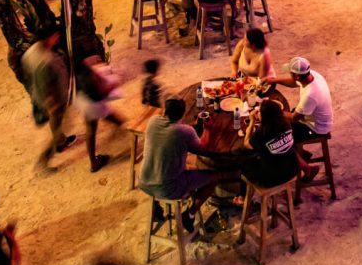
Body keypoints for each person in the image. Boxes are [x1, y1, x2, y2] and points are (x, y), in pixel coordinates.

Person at [139, 97, 232, 232]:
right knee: (215, 176)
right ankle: (189, 214)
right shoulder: (184, 131)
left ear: (165, 110)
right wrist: (208, 129)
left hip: (144, 182)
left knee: (183, 164)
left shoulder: (153, 121)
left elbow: (170, 134)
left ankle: (156, 208)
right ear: (182, 114)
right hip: (168, 189)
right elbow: (203, 148)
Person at [268, 57, 333, 178]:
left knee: (281, 138)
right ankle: (302, 154)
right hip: (311, 119)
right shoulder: (312, 75)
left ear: (297, 76)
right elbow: (294, 82)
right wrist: (274, 80)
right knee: (281, 126)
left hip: (316, 128)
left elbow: (294, 117)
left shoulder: (311, 95)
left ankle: (308, 169)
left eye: (291, 73)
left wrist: (273, 110)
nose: (290, 75)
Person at [21, 27, 76, 170]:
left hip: (43, 96)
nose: (57, 38)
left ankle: (61, 141)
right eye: (55, 35)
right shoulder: (45, 61)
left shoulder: (31, 52)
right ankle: (45, 160)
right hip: (54, 100)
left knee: (57, 125)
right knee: (58, 126)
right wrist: (53, 104)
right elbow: (48, 86)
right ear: (48, 38)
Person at [74, 56, 125, 173]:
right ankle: (94, 163)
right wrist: (112, 85)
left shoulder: (73, 66)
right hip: (92, 104)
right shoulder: (85, 76)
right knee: (91, 130)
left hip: (83, 99)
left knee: (109, 118)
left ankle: (120, 125)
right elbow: (97, 95)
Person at [242, 99, 299, 190]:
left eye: (259, 111)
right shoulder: (286, 124)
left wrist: (252, 122)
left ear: (265, 116)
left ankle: (241, 196)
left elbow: (246, 144)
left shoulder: (262, 133)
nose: (258, 113)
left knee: (243, 162)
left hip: (273, 179)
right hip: (293, 169)